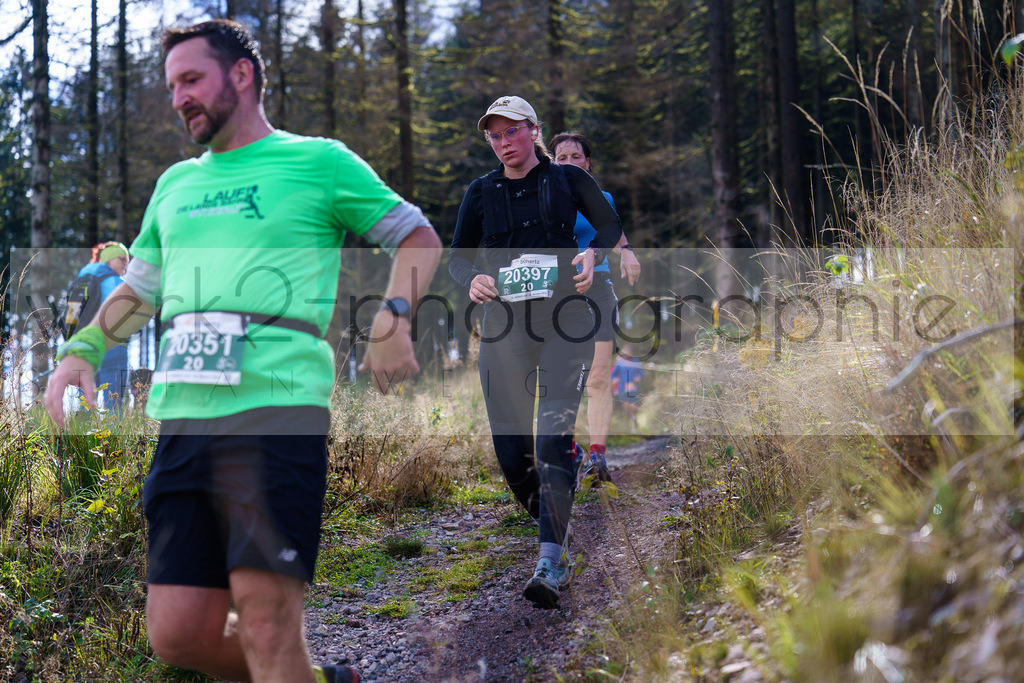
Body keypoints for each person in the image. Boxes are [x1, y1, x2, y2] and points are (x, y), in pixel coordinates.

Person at [43, 19, 440, 683]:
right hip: (183, 421)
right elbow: (140, 287)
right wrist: (80, 350)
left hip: (276, 411)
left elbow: (417, 236)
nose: (179, 98)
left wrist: (394, 315)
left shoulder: (319, 162)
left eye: (192, 79)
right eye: (172, 86)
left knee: (265, 620)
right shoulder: (175, 185)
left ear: (243, 75)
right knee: (178, 633)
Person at [449, 96, 622, 608]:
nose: (503, 142)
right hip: (505, 325)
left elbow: (608, 224)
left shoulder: (567, 179)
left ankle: (551, 557)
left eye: (512, 131)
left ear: (533, 131)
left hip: (567, 317)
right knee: (510, 447)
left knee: (552, 434)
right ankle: (552, 514)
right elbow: (458, 256)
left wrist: (593, 252)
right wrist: (475, 277)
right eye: (494, 135)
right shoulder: (481, 192)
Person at [550, 132, 641, 484]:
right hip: (558, 293)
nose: (570, 163)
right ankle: (569, 452)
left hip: (599, 288)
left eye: (576, 156)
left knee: (600, 377)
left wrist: (628, 251)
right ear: (552, 162)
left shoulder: (602, 198)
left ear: (588, 163)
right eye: (562, 157)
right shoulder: (545, 200)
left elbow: (612, 230)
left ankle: (598, 458)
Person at [76, 241, 132, 412]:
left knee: (85, 404)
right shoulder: (117, 283)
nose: (126, 263)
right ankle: (112, 440)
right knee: (113, 405)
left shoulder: (82, 279)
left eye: (127, 260)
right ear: (108, 260)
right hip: (113, 347)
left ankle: (80, 439)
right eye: (122, 259)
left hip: (84, 348)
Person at [610, 342, 645, 431]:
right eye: (625, 351)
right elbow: (613, 374)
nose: (627, 352)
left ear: (631, 352)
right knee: (625, 405)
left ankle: (634, 418)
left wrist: (639, 377)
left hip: (633, 386)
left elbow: (641, 373)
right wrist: (614, 379)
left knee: (633, 406)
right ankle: (629, 422)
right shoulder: (620, 362)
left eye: (628, 351)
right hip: (622, 387)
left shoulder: (636, 361)